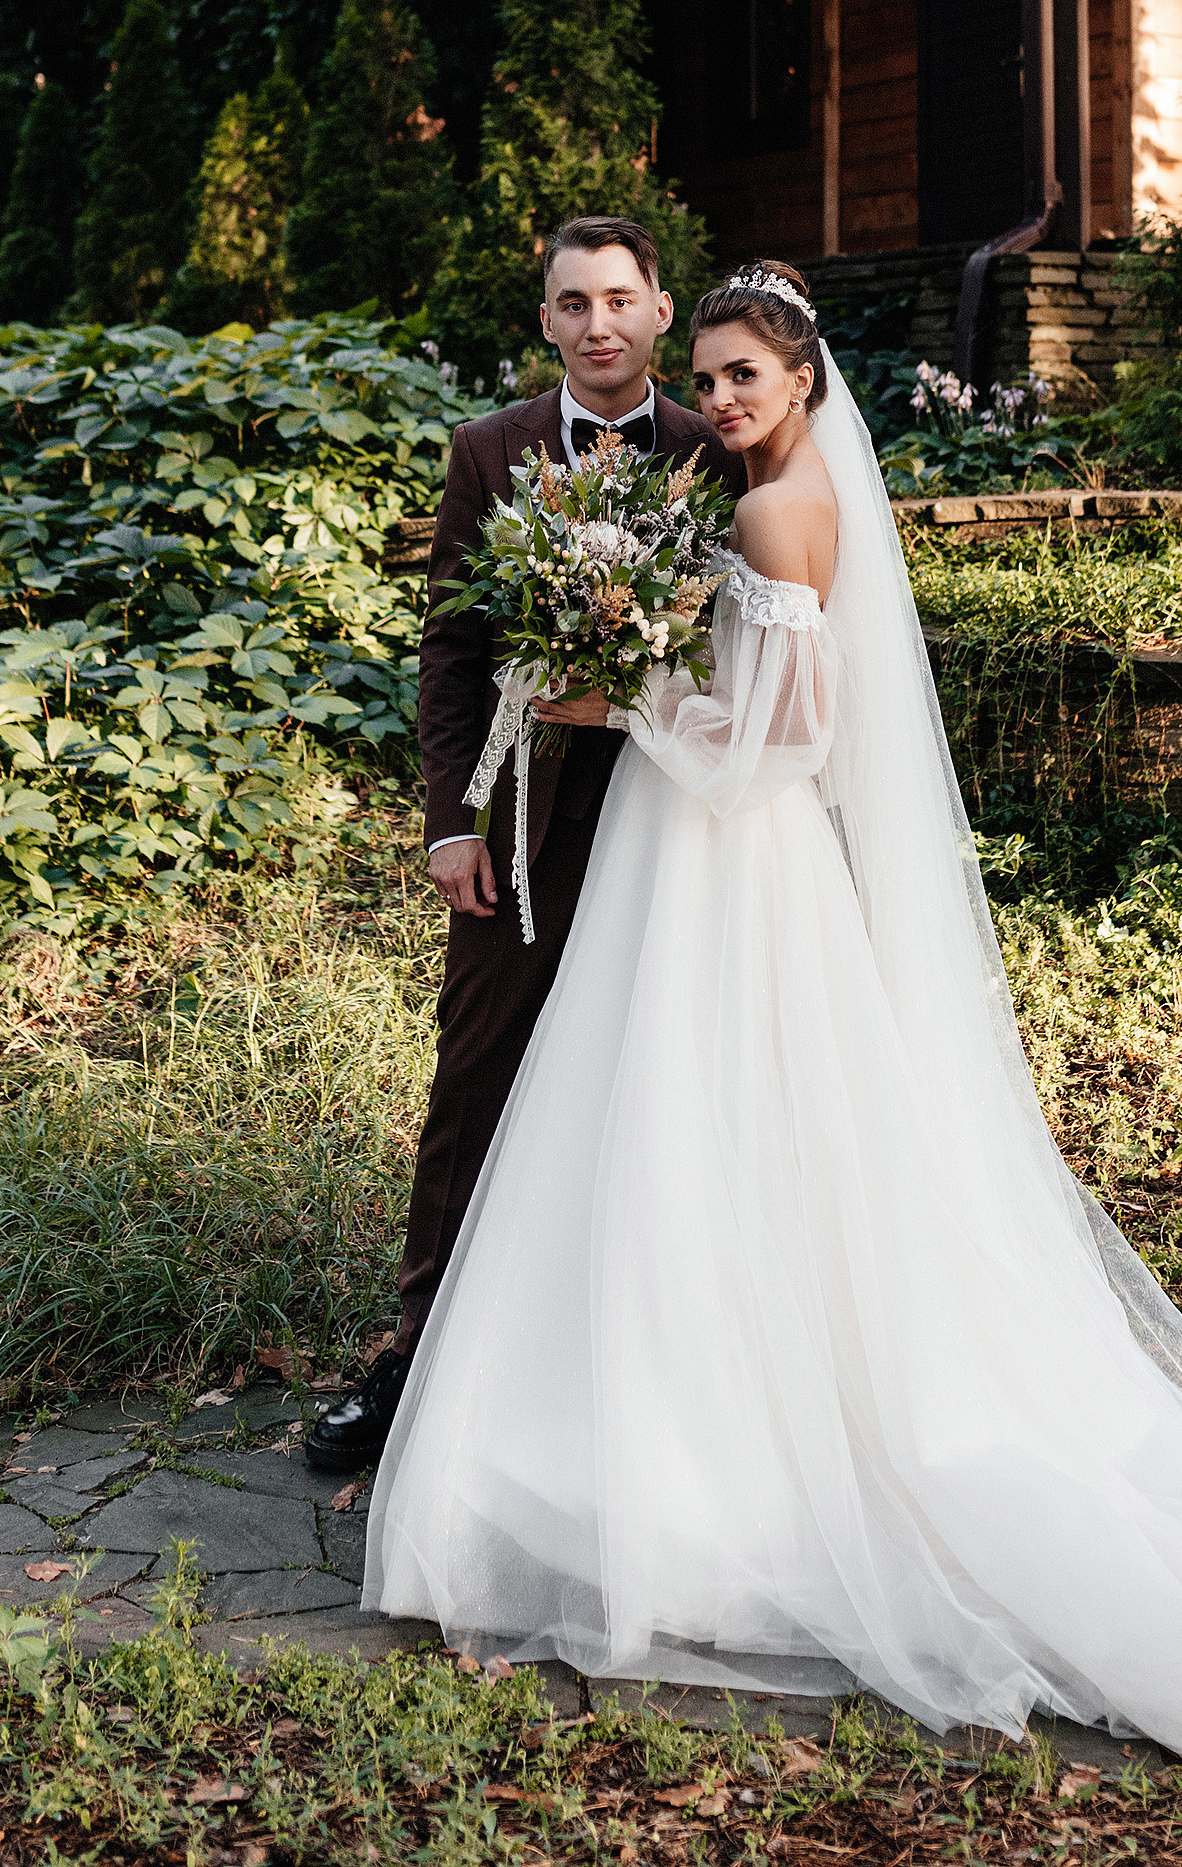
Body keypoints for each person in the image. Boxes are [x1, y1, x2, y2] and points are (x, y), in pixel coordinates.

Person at [362, 257, 1182, 1757]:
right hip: (702, 853)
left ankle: (699, 1442)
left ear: (798, 379)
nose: (722, 398)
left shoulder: (768, 508)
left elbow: (770, 744)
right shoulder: (755, 486)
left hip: (722, 850)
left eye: (745, 376)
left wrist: (619, 699)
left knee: (695, 1111)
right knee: (705, 1123)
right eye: (714, 378)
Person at [305, 215, 744, 1475]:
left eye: (618, 299)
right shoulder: (487, 449)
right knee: (478, 1072)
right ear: (545, 320)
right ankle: (417, 1356)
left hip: (676, 818)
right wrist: (450, 820)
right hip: (519, 821)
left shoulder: (716, 450)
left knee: (658, 1075)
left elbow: (753, 643)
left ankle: (621, 1372)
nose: (597, 324)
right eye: (572, 303)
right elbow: (452, 650)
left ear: (659, 310)